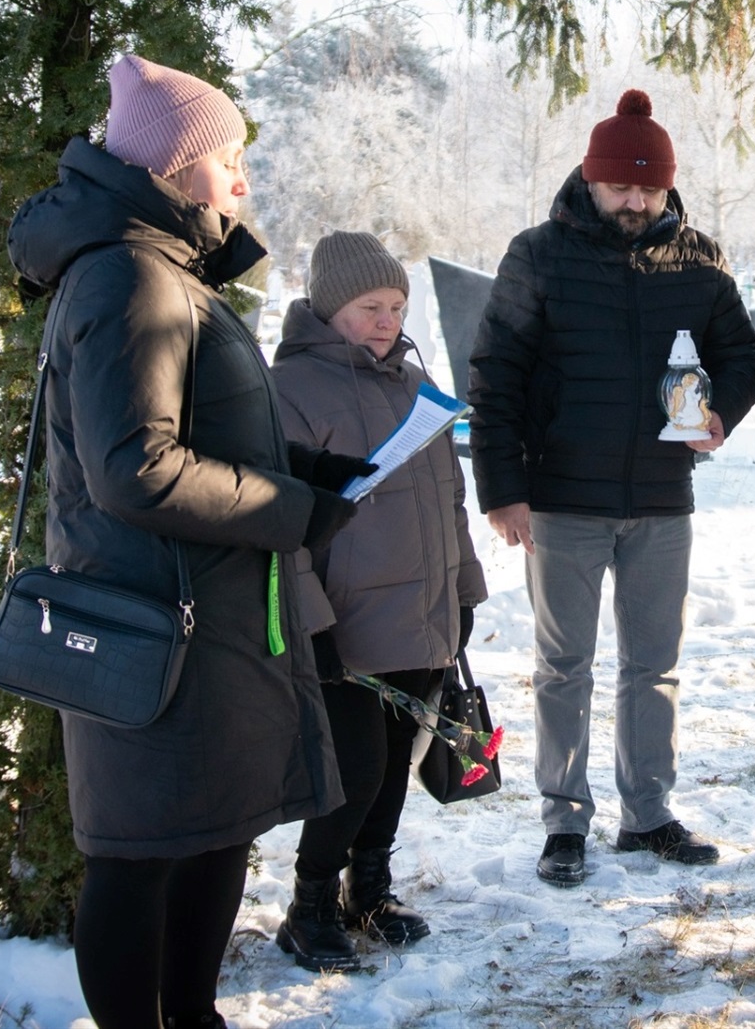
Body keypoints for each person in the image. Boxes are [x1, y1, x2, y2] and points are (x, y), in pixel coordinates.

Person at [6, 54, 363, 1029]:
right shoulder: (131, 277)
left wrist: (297, 473)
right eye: (227, 157)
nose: (241, 180)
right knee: (139, 857)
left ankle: (192, 1015)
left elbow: (188, 430)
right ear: (171, 169)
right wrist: (291, 512)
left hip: (194, 616)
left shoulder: (157, 269)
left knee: (209, 837)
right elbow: (137, 469)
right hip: (158, 627)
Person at [467, 88, 755, 887]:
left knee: (654, 665)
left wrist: (721, 415)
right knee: (564, 666)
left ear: (667, 186)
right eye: (620, 186)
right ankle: (564, 818)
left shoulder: (699, 260)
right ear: (590, 181)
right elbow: (494, 374)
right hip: (562, 497)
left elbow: (742, 357)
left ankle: (648, 813)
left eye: (649, 188)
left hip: (662, 499)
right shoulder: (538, 254)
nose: (635, 201)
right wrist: (501, 488)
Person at [267, 231, 488, 970]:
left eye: (396, 305)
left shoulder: (409, 383)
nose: (387, 319)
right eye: (370, 306)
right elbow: (279, 523)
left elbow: (448, 499)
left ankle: (371, 891)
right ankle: (307, 907)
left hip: (420, 614)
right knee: (353, 770)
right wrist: (311, 624)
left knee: (395, 763)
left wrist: (464, 591)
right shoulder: (290, 390)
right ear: (330, 308)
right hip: (345, 622)